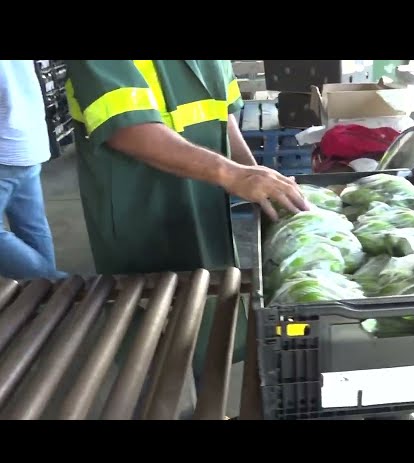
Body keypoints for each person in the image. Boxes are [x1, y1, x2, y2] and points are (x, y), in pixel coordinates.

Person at [65, 60, 308, 378]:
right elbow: (127, 130)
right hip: (142, 212)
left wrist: (255, 177)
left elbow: (223, 117)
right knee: (153, 340)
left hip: (204, 205)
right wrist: (230, 172)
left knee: (209, 319)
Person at [0, 60, 64, 280]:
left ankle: (58, 283)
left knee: (32, 227)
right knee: (32, 228)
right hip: (27, 141)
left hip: (4, 149)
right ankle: (52, 301)